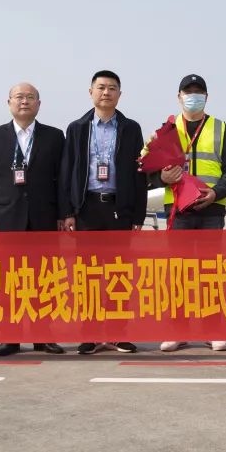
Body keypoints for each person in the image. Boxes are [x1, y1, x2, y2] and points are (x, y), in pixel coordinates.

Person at [0, 82, 66, 357]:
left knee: (45, 281)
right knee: (8, 283)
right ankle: (10, 338)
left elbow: (61, 180)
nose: (24, 101)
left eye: (30, 97)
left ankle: (43, 336)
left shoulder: (54, 136)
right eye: (19, 97)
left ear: (39, 104)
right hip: (6, 219)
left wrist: (64, 214)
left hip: (45, 219)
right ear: (9, 102)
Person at [60, 70, 147, 355]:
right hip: (87, 208)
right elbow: (67, 171)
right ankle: (90, 334)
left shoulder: (131, 128)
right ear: (90, 92)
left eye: (112, 88)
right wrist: (69, 211)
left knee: (118, 274)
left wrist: (138, 215)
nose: (106, 92)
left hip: (119, 209)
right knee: (87, 276)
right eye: (101, 87)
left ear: (120, 94)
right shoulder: (77, 128)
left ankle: (119, 334)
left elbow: (139, 174)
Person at [157, 74, 226, 352]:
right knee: (177, 274)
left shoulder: (219, 127)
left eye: (198, 92)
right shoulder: (166, 130)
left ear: (207, 97)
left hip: (210, 210)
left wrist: (216, 193)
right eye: (188, 92)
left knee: (210, 272)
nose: (193, 96)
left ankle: (212, 329)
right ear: (178, 96)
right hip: (178, 211)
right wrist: (161, 178)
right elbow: (145, 168)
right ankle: (177, 331)